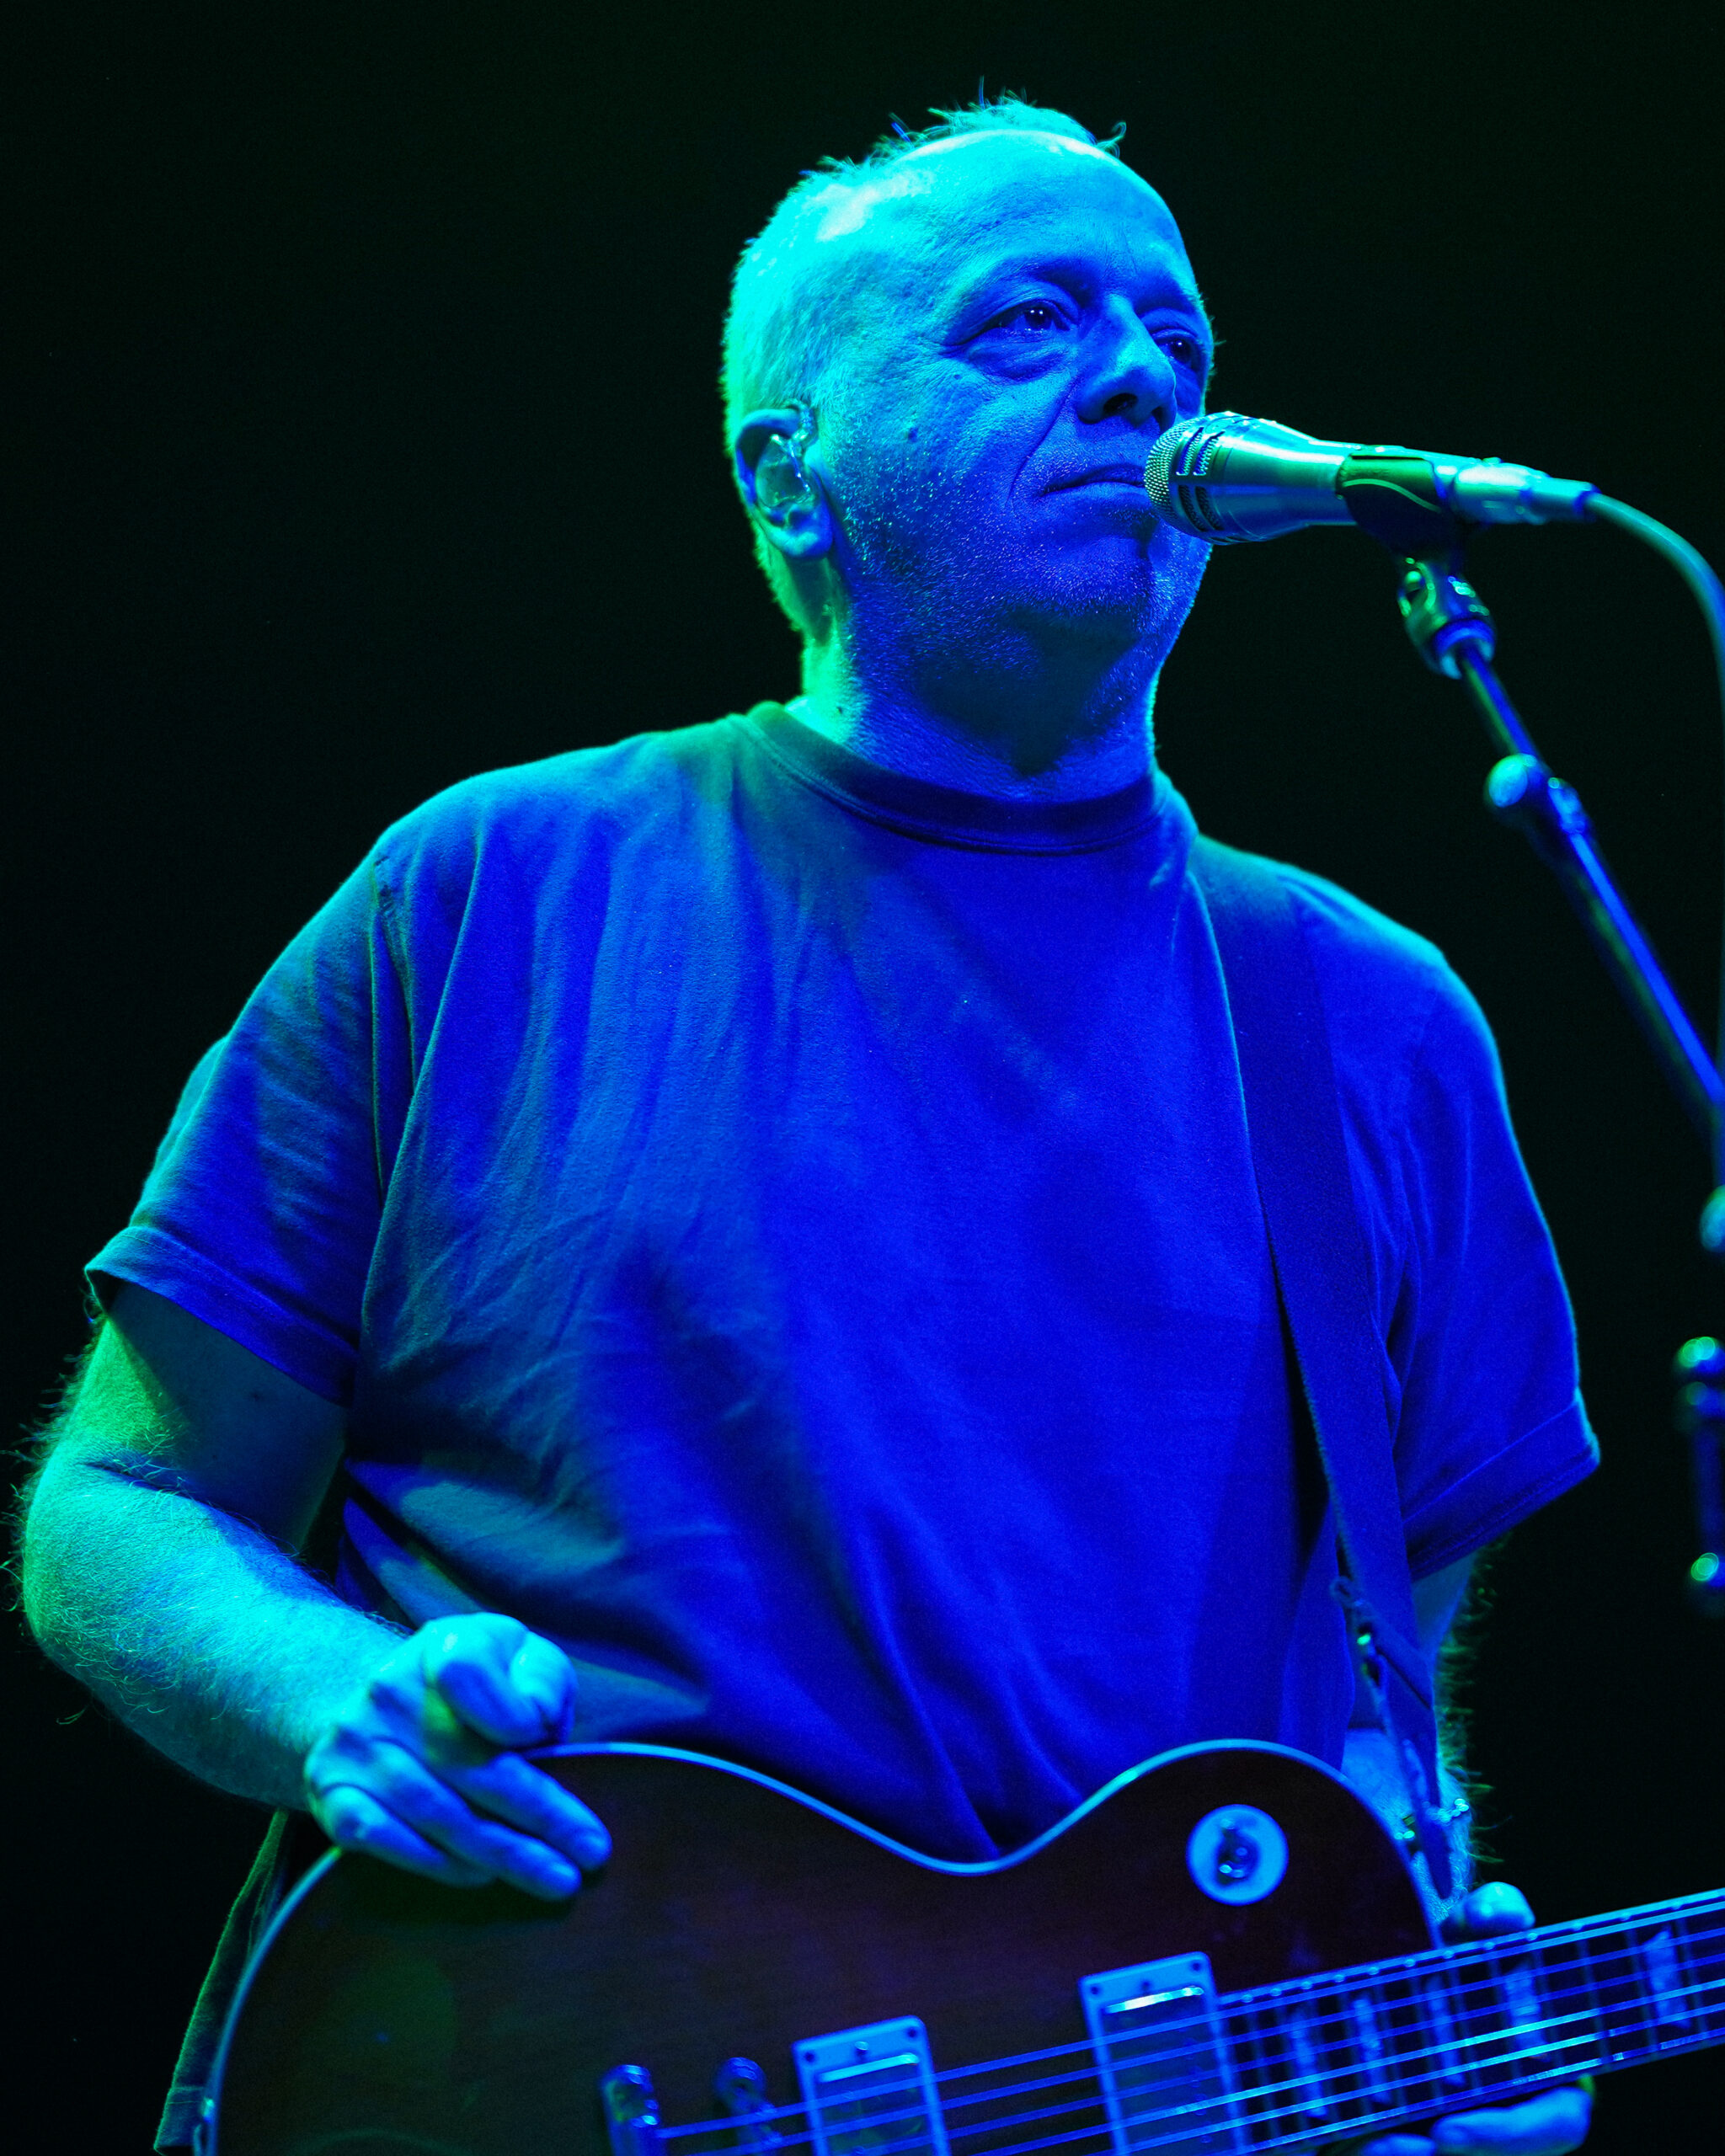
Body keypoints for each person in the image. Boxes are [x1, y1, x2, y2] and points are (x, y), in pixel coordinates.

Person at [20, 99, 1598, 2156]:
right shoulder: (492, 893)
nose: (1141, 378)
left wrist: (1399, 2000)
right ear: (793, 476)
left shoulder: (1369, 1017)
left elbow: (1389, 1684)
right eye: (1026, 323)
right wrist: (331, 1699)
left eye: (1179, 340)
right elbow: (120, 1506)